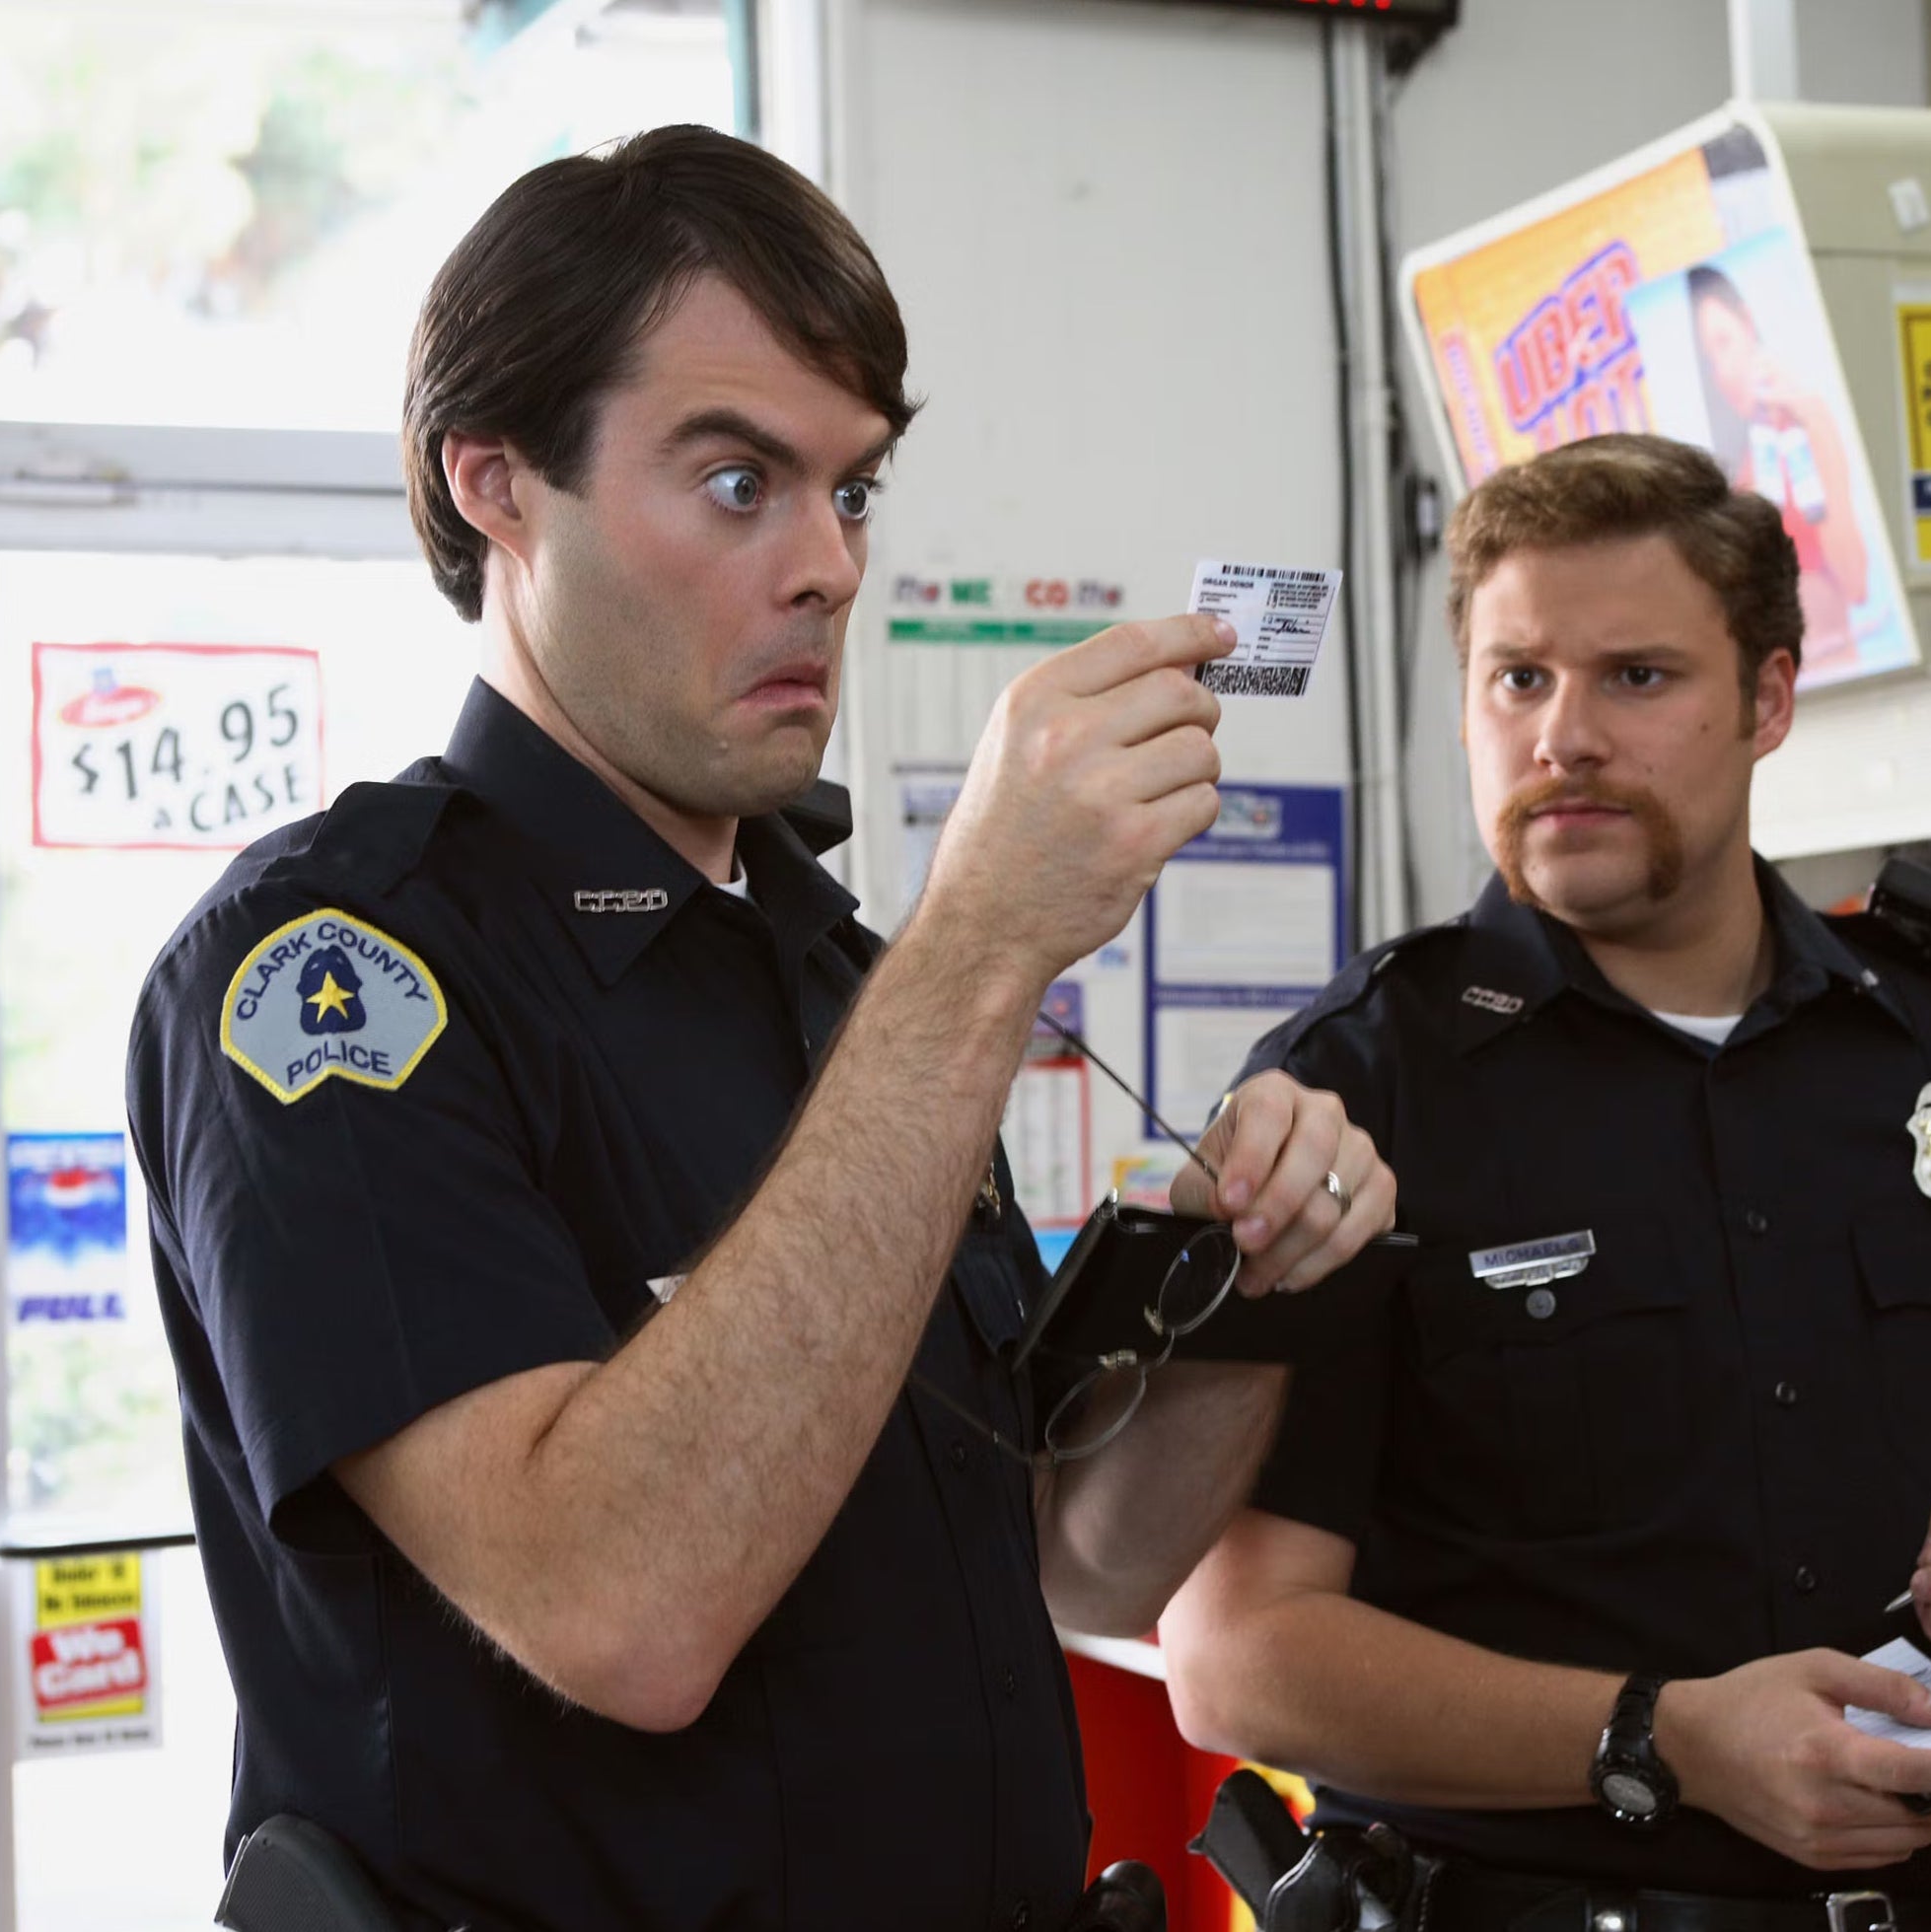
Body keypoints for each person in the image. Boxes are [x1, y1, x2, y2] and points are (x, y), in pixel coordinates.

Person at [127, 125, 1396, 1931]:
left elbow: (1071, 1556)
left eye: (854, 489)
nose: (827, 565)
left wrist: (1241, 1295)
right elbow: (622, 1610)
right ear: (495, 481)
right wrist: (975, 952)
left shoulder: (833, 973)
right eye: (738, 483)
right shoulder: (334, 975)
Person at [1158, 434, 1931, 1931]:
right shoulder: (1354, 1091)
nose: (1564, 736)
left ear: (1769, 697)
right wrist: (1662, 1740)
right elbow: (1234, 1652)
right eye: (1517, 679)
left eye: (1636, 677)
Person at [1688, 263, 1869, 683]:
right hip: (1775, 712)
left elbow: (1856, 582)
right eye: (1708, 360)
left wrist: (1815, 429)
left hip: (1848, 678)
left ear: (1749, 326)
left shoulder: (1807, 423)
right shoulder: (1729, 479)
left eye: (1724, 342)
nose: (1725, 371)